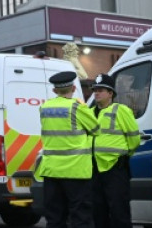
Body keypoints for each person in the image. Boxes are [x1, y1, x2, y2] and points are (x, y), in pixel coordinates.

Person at [37, 71, 100, 228]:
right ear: (73, 88)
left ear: (54, 91)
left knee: (55, 218)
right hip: (76, 171)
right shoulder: (77, 107)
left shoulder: (44, 108)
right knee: (81, 217)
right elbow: (96, 129)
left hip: (51, 171)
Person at [90, 73, 141, 228]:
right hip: (94, 169)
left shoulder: (121, 110)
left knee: (119, 213)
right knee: (98, 213)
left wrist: (123, 155)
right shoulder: (89, 113)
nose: (97, 93)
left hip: (115, 169)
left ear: (111, 93)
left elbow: (134, 139)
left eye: (101, 90)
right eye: (95, 90)